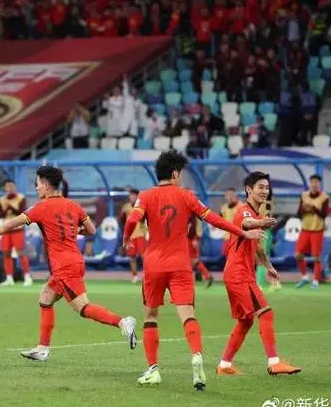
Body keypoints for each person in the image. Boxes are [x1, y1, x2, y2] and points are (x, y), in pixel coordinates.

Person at [122, 150, 265, 389]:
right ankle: (196, 355)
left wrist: (126, 239)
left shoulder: (145, 196)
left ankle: (153, 370)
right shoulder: (186, 196)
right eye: (181, 173)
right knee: (188, 314)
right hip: (180, 265)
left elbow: (131, 221)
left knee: (151, 316)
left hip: (154, 265)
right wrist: (242, 232)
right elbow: (214, 220)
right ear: (175, 173)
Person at [0, 166, 137, 362]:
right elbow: (92, 230)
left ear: (45, 184)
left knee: (82, 307)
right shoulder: (73, 205)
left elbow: (12, 223)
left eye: (37, 184)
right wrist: (74, 231)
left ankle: (122, 322)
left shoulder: (41, 207)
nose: (36, 188)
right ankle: (42, 348)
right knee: (45, 297)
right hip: (75, 261)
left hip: (64, 266)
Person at [217, 171, 301, 376]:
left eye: (267, 187)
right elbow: (246, 224)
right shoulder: (243, 211)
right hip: (239, 273)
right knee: (266, 312)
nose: (265, 191)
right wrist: (262, 223)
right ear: (249, 190)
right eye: (260, 187)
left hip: (237, 273)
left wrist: (269, 267)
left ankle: (224, 365)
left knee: (246, 320)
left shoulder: (255, 215)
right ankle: (274, 363)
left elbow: (259, 250)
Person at [295, 174, 329, 289]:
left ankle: (315, 281)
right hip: (305, 230)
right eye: (312, 182)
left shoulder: (324, 197)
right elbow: (298, 214)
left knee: (316, 256)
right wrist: (304, 209)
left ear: (319, 184)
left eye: (316, 182)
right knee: (298, 255)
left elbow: (324, 214)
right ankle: (304, 276)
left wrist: (313, 208)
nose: (314, 184)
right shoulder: (304, 196)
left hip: (317, 230)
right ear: (310, 183)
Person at [0, 180, 32, 287]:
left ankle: (27, 277)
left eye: (11, 186)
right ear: (5, 188)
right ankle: (9, 278)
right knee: (6, 253)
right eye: (7, 187)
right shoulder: (2, 199)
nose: (9, 189)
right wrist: (7, 208)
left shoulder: (21, 198)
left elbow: (22, 212)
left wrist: (10, 207)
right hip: (6, 229)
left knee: (20, 253)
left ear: (15, 187)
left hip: (17, 229)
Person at [118, 188, 146, 283]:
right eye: (131, 196)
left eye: (134, 196)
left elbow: (145, 219)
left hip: (141, 234)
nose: (132, 197)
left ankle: (146, 275)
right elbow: (121, 220)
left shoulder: (142, 206)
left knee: (144, 257)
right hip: (130, 236)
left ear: (138, 197)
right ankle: (134, 276)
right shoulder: (126, 207)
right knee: (132, 257)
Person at [220, 188, 240, 255]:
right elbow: (220, 219)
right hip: (227, 237)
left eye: (232, 195)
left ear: (235, 195)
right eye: (228, 195)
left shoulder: (241, 206)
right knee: (226, 254)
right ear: (226, 196)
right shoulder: (224, 208)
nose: (230, 197)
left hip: (237, 237)